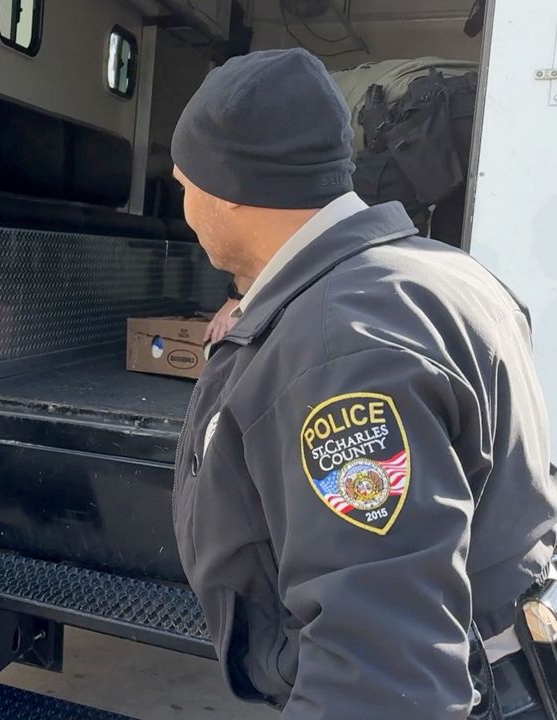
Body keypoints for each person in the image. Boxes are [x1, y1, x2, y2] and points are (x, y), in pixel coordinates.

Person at [170, 49, 556, 718]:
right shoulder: (440, 273)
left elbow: (380, 674)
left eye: (184, 185)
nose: (184, 207)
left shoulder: (338, 350)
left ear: (228, 188)